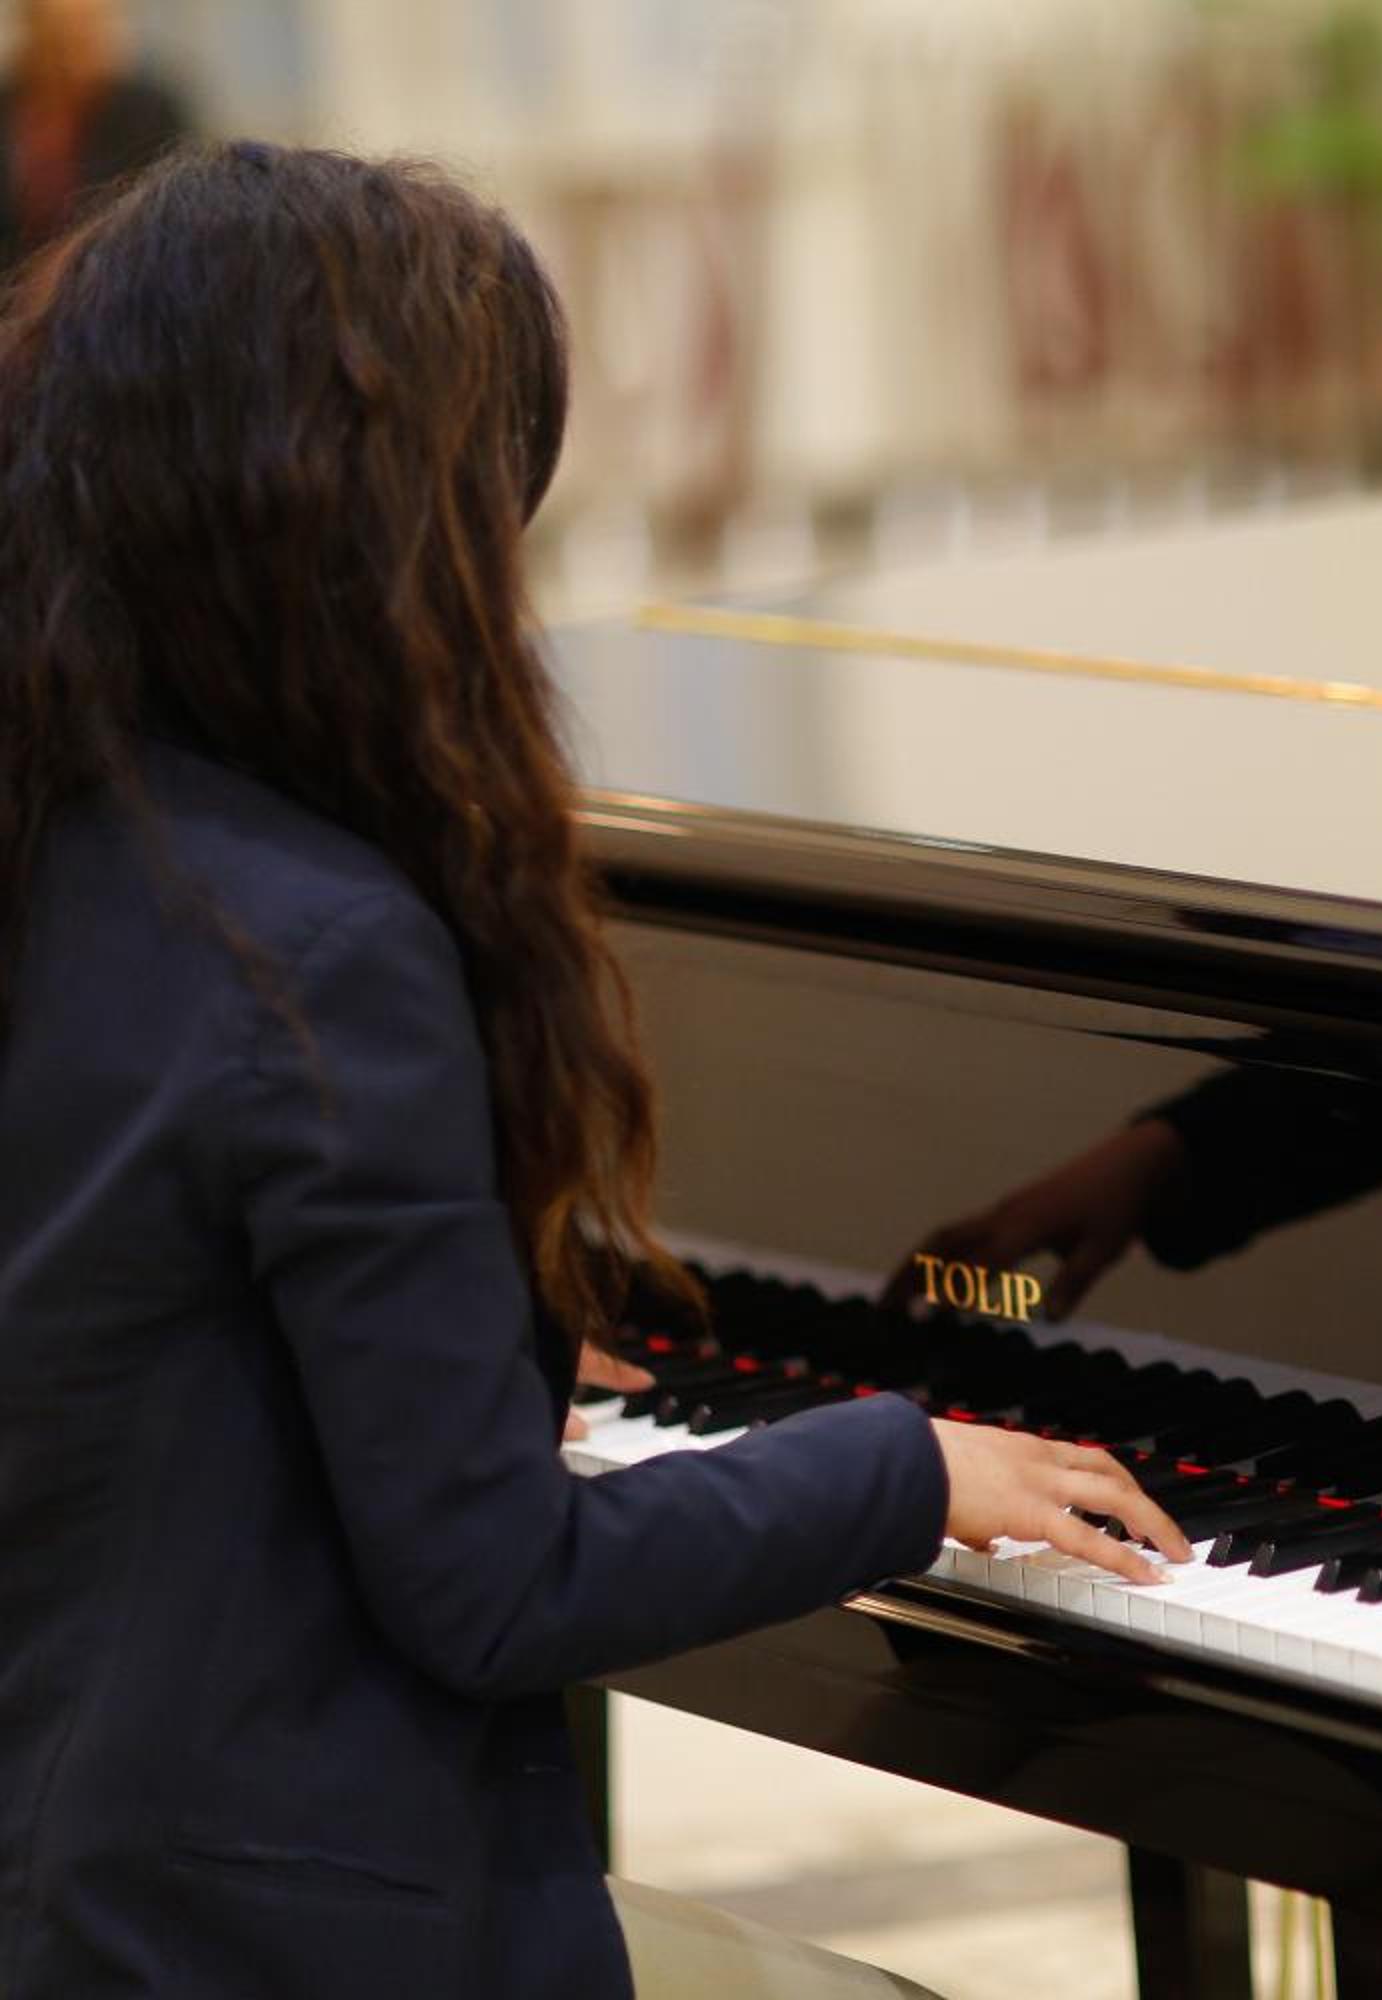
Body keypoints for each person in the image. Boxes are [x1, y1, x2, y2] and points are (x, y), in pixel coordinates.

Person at [0, 143, 1188, 1999]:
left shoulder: (69, 847)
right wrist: (903, 1462)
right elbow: (500, 1591)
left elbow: (124, 1341)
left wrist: (456, 1358)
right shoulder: (320, 950)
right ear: (367, 535)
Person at [0, 0, 191, 272]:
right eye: (56, 38)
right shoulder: (11, 108)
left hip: (120, 280)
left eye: (83, 33)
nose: (69, 56)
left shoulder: (150, 112)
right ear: (30, 32)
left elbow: (176, 218)